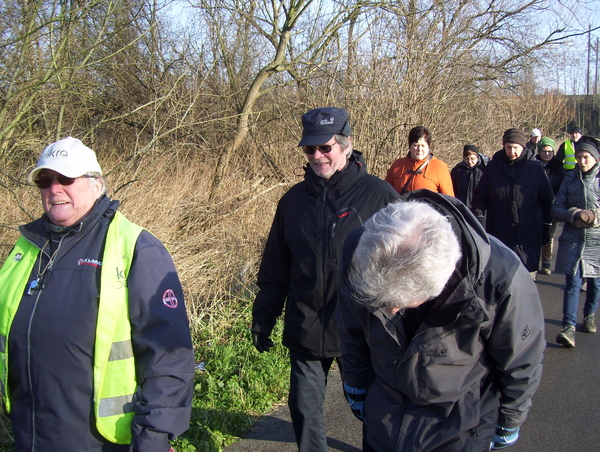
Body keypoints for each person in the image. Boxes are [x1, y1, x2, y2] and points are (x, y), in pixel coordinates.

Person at [0, 137, 195, 452]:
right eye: (45, 180)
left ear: (96, 184)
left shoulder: (135, 247)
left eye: (65, 178)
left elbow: (168, 356)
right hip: (30, 434)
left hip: (102, 441)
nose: (54, 189)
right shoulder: (26, 247)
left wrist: (155, 437)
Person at [336, 190, 545, 452]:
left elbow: (521, 356)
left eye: (399, 302)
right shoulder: (362, 250)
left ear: (438, 284)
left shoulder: (501, 276)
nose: (388, 310)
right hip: (384, 416)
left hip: (463, 425)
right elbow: (351, 330)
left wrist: (511, 416)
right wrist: (355, 384)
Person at [251, 107, 398, 452]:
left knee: (373, 410)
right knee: (303, 409)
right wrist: (264, 316)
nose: (317, 156)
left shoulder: (380, 196)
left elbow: (404, 263)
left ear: (346, 145)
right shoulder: (292, 202)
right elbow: (276, 266)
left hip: (361, 325)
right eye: (310, 149)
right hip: (308, 323)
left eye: (326, 147)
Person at [472, 128, 554, 280]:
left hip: (528, 234)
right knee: (500, 281)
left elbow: (547, 200)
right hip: (499, 232)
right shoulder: (493, 167)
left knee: (525, 283)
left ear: (523, 147)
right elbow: (480, 196)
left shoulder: (535, 168)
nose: (512, 151)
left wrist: (546, 228)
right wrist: (479, 217)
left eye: (515, 147)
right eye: (508, 147)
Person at [551, 137, 600, 348]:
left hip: (597, 241)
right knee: (572, 283)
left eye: (586, 157)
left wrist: (594, 216)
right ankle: (568, 327)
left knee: (596, 282)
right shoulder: (569, 179)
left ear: (595, 159)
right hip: (573, 238)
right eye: (579, 157)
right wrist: (575, 215)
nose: (581, 161)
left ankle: (589, 314)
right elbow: (556, 209)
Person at [384, 126, 454, 195]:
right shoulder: (398, 165)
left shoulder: (439, 166)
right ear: (410, 146)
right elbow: (386, 193)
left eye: (423, 145)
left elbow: (449, 199)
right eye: (416, 145)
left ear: (428, 147)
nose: (419, 149)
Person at [535, 137, 566, 275]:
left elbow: (563, 189)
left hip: (552, 207)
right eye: (544, 151)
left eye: (550, 151)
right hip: (535, 206)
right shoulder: (532, 164)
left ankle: (546, 263)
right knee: (533, 235)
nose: (547, 154)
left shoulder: (559, 168)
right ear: (539, 151)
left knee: (548, 236)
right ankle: (533, 263)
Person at [450, 144, 488, 209]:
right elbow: (452, 190)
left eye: (472, 158)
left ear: (477, 157)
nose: (470, 162)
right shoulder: (457, 170)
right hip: (462, 207)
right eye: (467, 159)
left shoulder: (485, 170)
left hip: (480, 209)